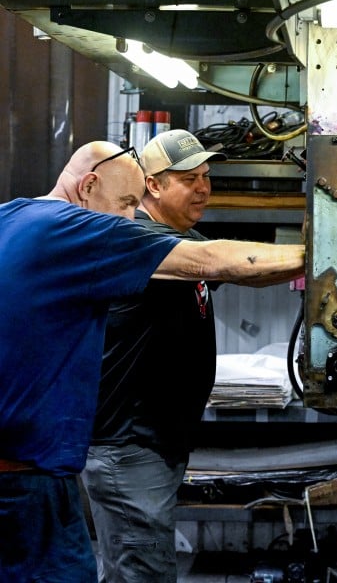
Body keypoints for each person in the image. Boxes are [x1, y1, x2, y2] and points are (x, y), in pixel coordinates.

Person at [0, 140, 304, 582]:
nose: (129, 217)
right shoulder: (81, 232)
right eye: (126, 203)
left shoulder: (12, 216)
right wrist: (325, 255)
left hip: (35, 464)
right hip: (42, 471)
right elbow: (209, 261)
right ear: (88, 186)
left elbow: (227, 265)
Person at [80, 129, 228, 582]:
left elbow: (234, 266)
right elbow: (221, 261)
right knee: (142, 574)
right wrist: (316, 253)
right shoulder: (140, 239)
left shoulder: (180, 238)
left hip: (151, 446)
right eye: (188, 178)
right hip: (129, 448)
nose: (202, 188)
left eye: (205, 176)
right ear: (153, 185)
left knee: (132, 571)